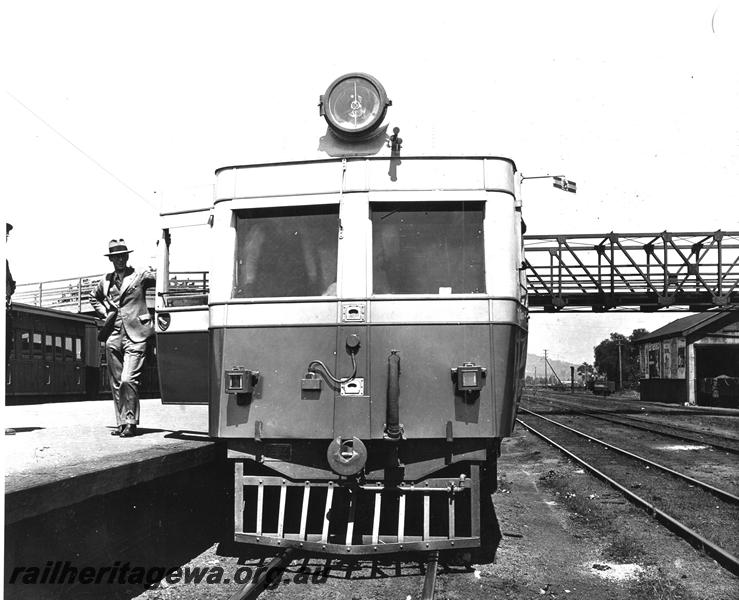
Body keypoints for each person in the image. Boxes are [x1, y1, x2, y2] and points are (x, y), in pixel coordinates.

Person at [89, 239, 156, 438]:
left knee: (128, 379)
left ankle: (131, 422)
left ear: (127, 257)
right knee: (116, 382)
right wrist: (105, 313)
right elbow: (94, 297)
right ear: (111, 259)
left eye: (122, 256)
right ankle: (122, 422)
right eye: (115, 257)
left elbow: (160, 280)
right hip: (113, 335)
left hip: (136, 334)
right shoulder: (106, 280)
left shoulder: (139, 276)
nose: (119, 259)